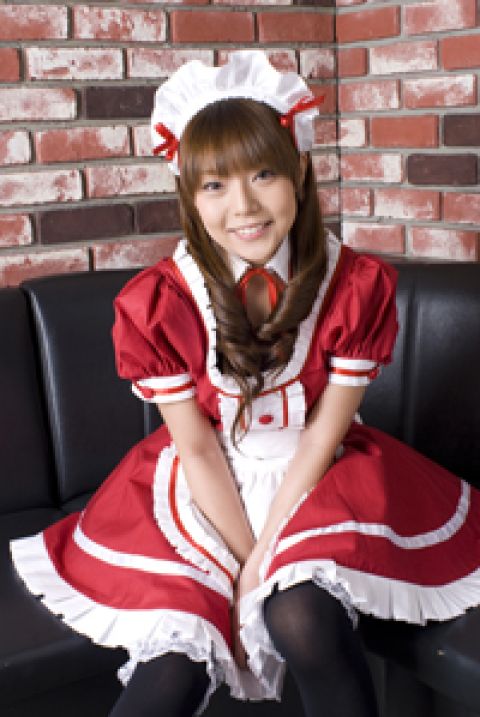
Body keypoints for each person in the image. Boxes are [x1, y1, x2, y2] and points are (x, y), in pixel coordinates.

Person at [10, 51, 480, 717]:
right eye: (214, 185)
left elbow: (322, 433)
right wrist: (240, 562)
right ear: (189, 194)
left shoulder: (354, 284)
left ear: (299, 170)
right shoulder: (161, 301)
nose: (244, 206)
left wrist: (264, 562)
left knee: (302, 614)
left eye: (263, 173)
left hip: (320, 477)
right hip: (205, 485)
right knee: (172, 666)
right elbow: (199, 449)